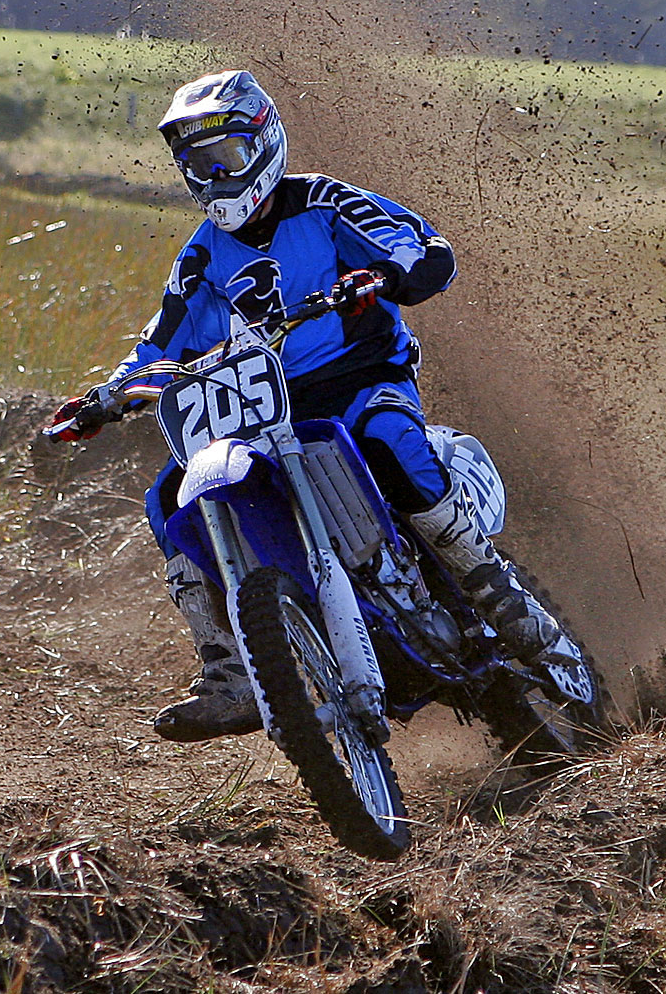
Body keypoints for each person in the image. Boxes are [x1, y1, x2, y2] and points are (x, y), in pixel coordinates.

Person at [50, 69, 564, 741]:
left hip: (362, 376)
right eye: (197, 164)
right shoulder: (202, 258)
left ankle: (489, 584)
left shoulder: (323, 202)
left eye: (226, 157)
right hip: (268, 407)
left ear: (263, 145)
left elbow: (419, 244)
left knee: (385, 437)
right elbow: (160, 342)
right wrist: (106, 396)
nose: (214, 176)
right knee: (171, 495)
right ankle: (230, 670)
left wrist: (387, 275)